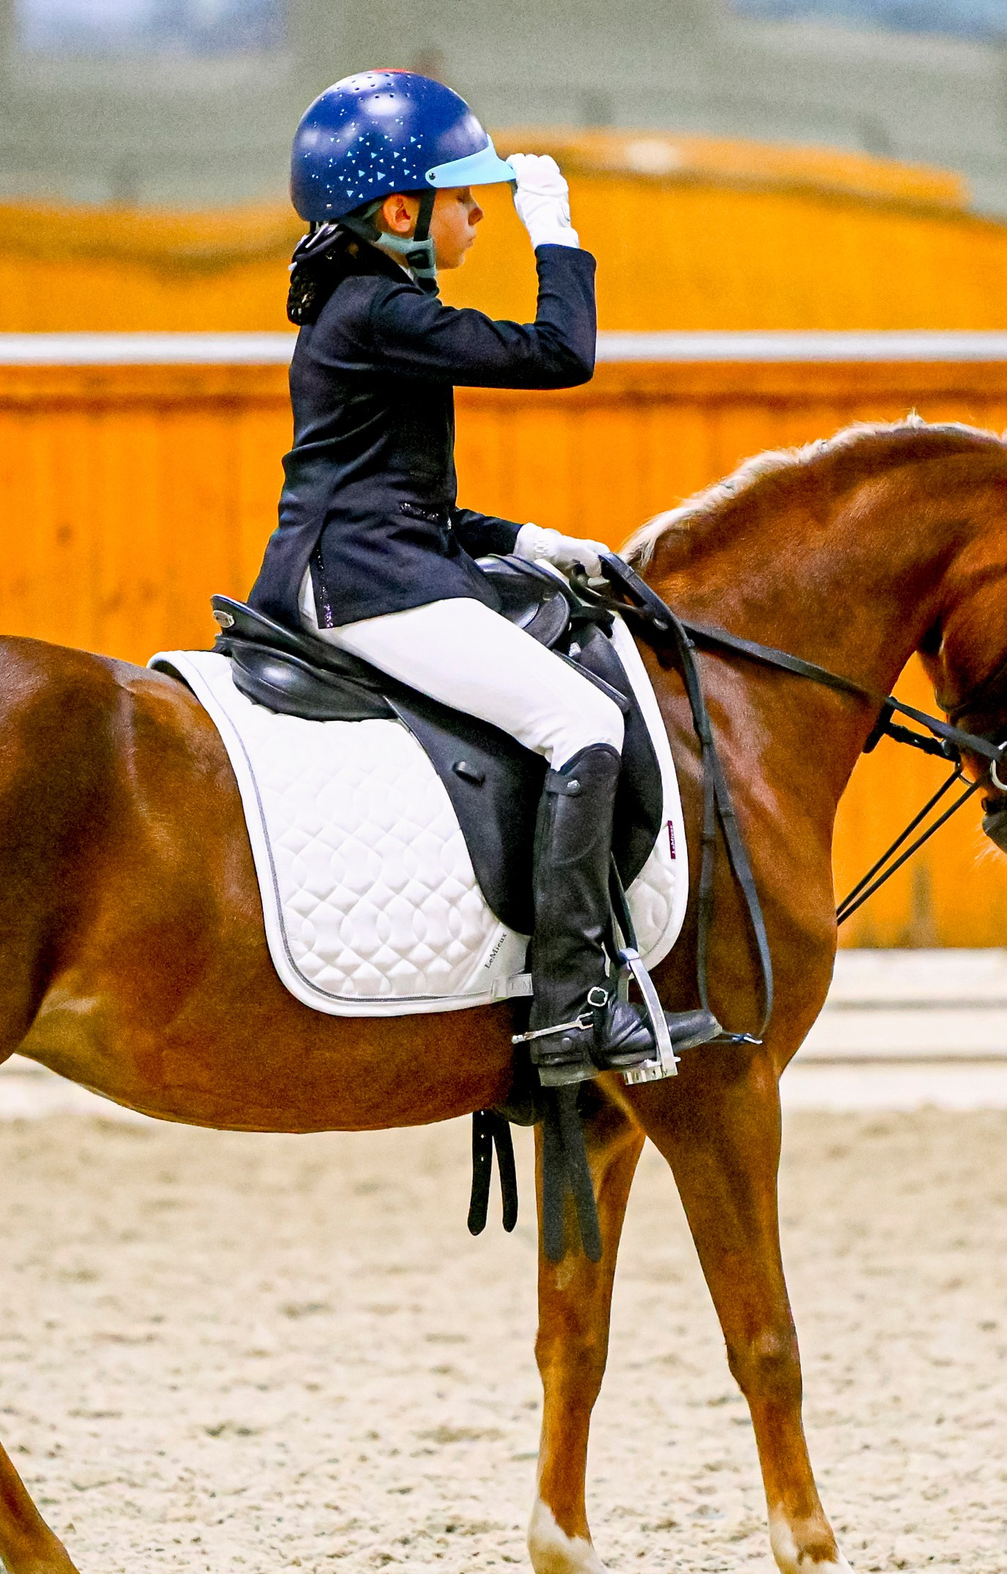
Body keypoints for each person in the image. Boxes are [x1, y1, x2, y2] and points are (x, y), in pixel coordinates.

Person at [248, 69, 719, 1086]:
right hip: (362, 584)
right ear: (399, 209)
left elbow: (395, 491)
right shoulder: (374, 308)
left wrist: (531, 538)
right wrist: (555, 235)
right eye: (466, 197)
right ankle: (569, 1010)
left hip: (375, 557)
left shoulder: (371, 308)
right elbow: (560, 353)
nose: (478, 214)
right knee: (581, 724)